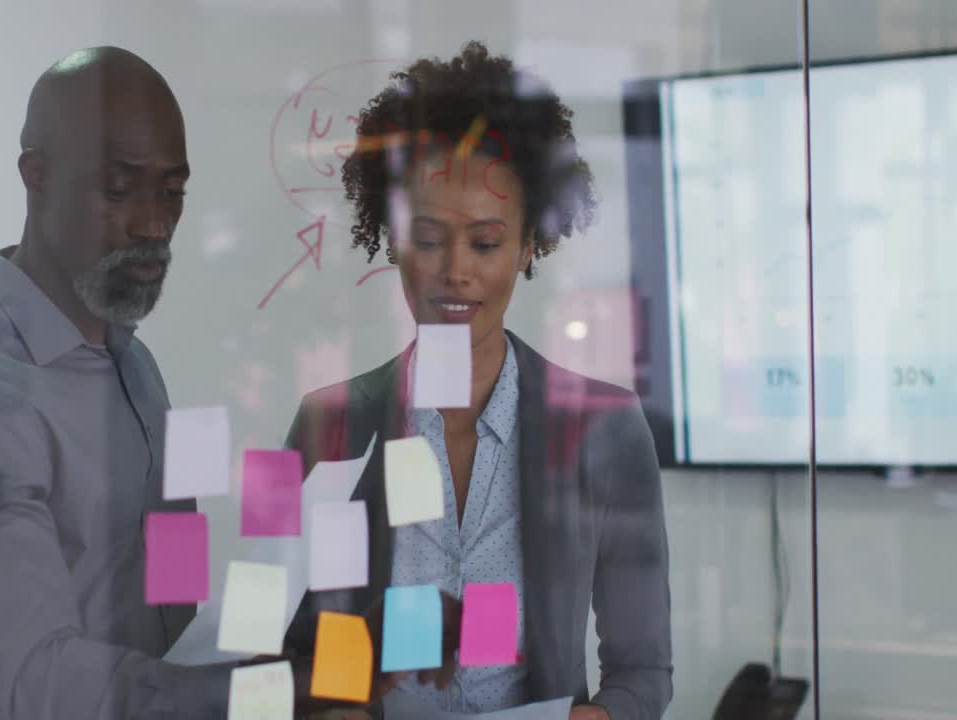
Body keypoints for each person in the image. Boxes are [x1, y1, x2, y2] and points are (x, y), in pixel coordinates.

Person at [283, 42, 673, 720]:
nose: (454, 271)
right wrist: (332, 703)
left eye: (486, 243)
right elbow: (287, 647)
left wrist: (601, 717)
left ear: (528, 247)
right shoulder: (326, 422)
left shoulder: (605, 427)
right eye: (429, 239)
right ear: (394, 241)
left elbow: (644, 671)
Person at [0, 47, 227, 719]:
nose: (154, 224)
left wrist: (261, 644)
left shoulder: (133, 363)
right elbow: (40, 683)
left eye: (172, 192)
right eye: (118, 190)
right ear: (36, 176)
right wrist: (256, 695)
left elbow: (177, 593)